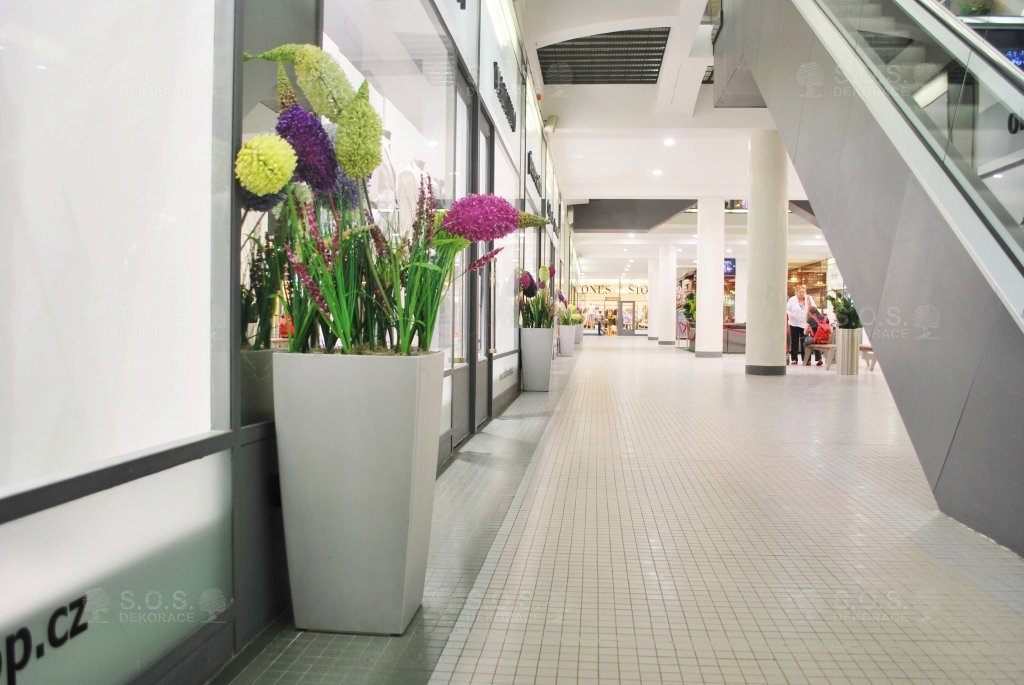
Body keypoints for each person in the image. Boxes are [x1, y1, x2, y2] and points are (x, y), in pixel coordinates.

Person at [786, 285, 815, 365]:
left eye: (803, 292)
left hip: (805, 324)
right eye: (800, 292)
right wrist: (790, 314)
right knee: (794, 341)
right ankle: (794, 358)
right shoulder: (792, 300)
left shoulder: (808, 299)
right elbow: (787, 309)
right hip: (794, 323)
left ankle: (806, 359)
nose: (801, 293)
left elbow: (814, 308)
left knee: (805, 341)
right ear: (796, 292)